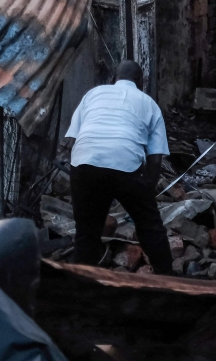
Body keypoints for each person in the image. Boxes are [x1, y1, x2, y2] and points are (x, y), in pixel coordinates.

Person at [65, 60, 173, 274]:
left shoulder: (93, 95)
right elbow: (155, 158)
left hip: (85, 161)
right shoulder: (149, 103)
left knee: (86, 232)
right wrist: (146, 192)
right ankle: (168, 280)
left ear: (114, 78)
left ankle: (80, 287)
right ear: (140, 81)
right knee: (150, 227)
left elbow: (71, 139)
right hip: (125, 163)